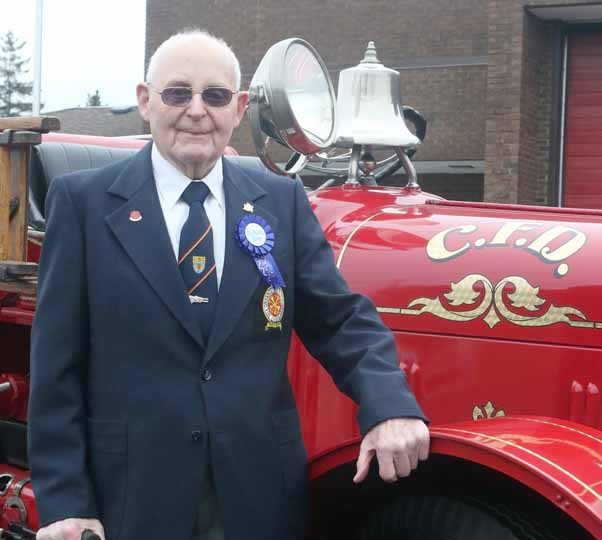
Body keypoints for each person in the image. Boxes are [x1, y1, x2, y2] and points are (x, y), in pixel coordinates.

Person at [28, 30, 429, 540]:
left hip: (257, 497)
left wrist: (389, 405)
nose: (197, 111)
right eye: (178, 93)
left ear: (238, 109)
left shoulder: (281, 201)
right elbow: (56, 366)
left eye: (215, 96)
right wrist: (65, 502)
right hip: (130, 498)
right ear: (145, 102)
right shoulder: (83, 204)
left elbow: (340, 319)